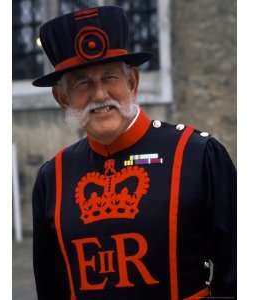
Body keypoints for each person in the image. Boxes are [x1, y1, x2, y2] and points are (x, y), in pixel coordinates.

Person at [32, 5, 236, 300]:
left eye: (110, 77)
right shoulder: (53, 178)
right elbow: (52, 289)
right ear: (62, 97)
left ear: (132, 82)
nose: (100, 94)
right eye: (82, 82)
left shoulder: (197, 155)